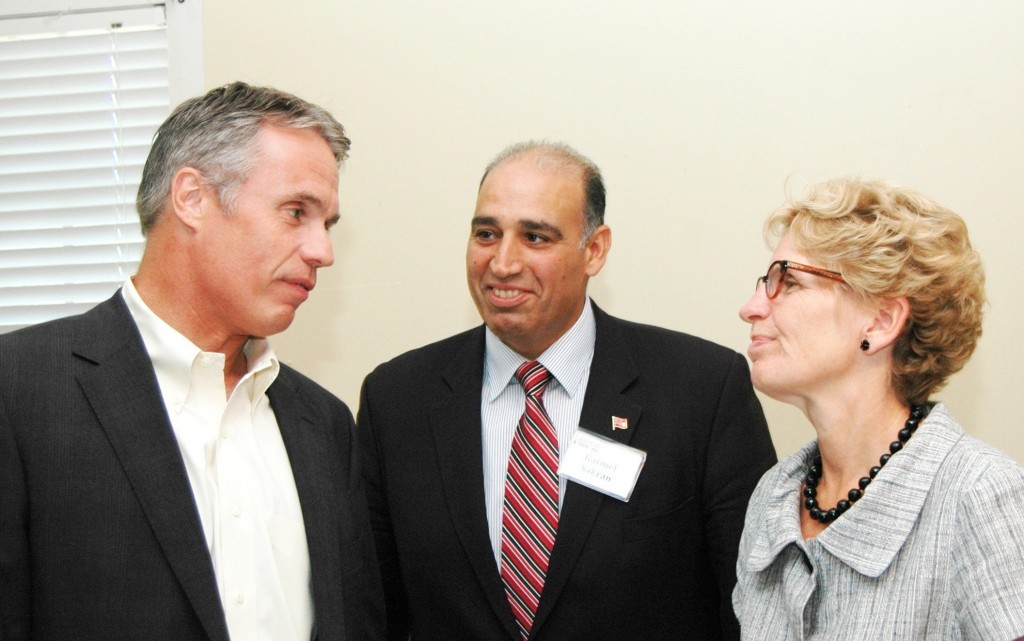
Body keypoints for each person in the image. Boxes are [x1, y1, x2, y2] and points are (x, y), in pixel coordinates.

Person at [0, 82, 384, 641]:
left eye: (326, 224)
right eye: (296, 212)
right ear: (192, 199)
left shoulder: (324, 424)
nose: (321, 251)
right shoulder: (20, 391)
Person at [357, 140, 777, 641]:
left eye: (535, 237)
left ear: (594, 250)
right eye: (486, 234)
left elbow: (754, 608)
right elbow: (371, 611)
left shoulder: (702, 390)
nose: (503, 263)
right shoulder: (398, 399)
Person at [734, 177, 1024, 640]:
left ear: (882, 320)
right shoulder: (775, 495)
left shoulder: (978, 493)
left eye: (787, 281)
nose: (751, 308)